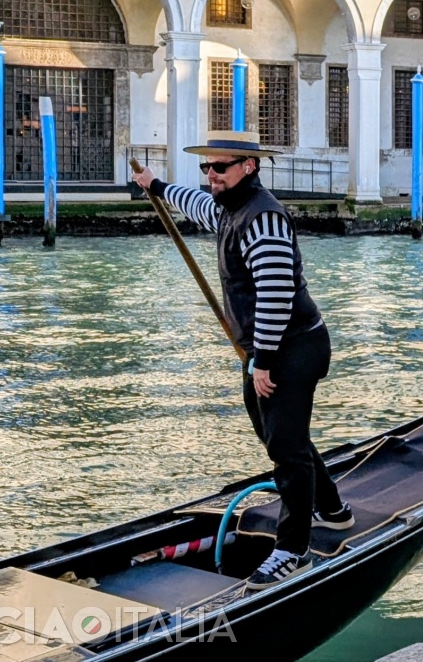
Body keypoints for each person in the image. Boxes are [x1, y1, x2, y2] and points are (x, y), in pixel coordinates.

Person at [132, 131, 354, 590]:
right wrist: (156, 185)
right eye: (206, 167)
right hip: (268, 350)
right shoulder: (230, 208)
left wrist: (264, 361)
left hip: (293, 347)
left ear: (247, 167)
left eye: (219, 167)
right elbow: (198, 205)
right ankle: (333, 510)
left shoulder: (263, 218)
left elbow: (276, 293)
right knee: (281, 434)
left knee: (285, 448)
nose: (211, 175)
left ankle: (292, 550)